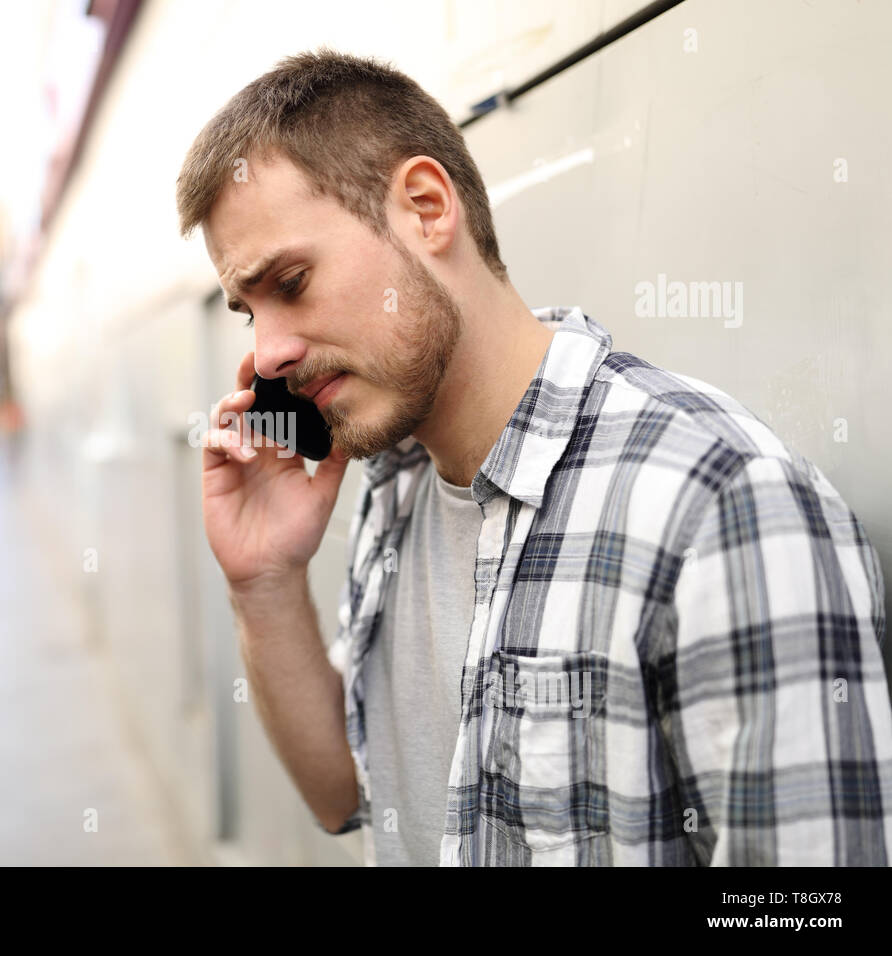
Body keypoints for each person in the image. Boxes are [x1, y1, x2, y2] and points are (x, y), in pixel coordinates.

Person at [176, 48, 891, 866]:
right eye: (247, 312)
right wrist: (262, 586)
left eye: (292, 282)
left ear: (425, 206)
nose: (266, 355)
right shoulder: (397, 481)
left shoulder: (717, 503)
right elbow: (346, 796)